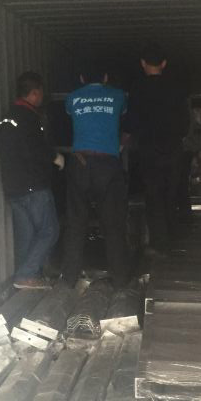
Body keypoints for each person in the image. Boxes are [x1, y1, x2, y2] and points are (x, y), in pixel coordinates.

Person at [61, 64, 130, 289]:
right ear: (106, 76)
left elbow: (71, 116)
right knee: (113, 224)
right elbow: (125, 119)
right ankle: (120, 280)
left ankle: (69, 279)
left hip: (80, 162)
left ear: (82, 77)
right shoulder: (118, 96)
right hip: (108, 164)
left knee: (75, 222)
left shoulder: (72, 98)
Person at [0, 71, 64, 289]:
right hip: (33, 185)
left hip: (13, 186)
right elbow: (34, 149)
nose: (42, 97)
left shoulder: (8, 117)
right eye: (41, 93)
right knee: (50, 230)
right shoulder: (29, 118)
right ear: (34, 93)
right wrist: (55, 157)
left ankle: (26, 277)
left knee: (26, 235)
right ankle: (27, 274)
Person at [126, 45, 189, 255]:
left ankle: (159, 244)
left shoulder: (137, 89)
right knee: (171, 194)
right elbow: (185, 123)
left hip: (148, 149)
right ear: (164, 64)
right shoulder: (177, 88)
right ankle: (173, 238)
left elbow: (131, 122)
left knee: (153, 196)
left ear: (143, 63)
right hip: (173, 148)